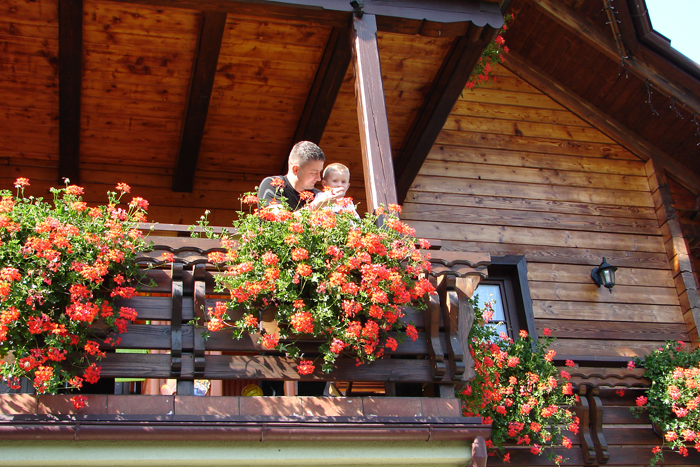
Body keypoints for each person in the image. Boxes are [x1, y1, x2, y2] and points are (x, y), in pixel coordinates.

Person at [258, 141, 342, 211]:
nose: (319, 178)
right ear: (295, 170)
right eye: (313, 173)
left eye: (319, 172)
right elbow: (281, 222)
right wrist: (317, 205)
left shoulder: (318, 196)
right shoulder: (272, 185)